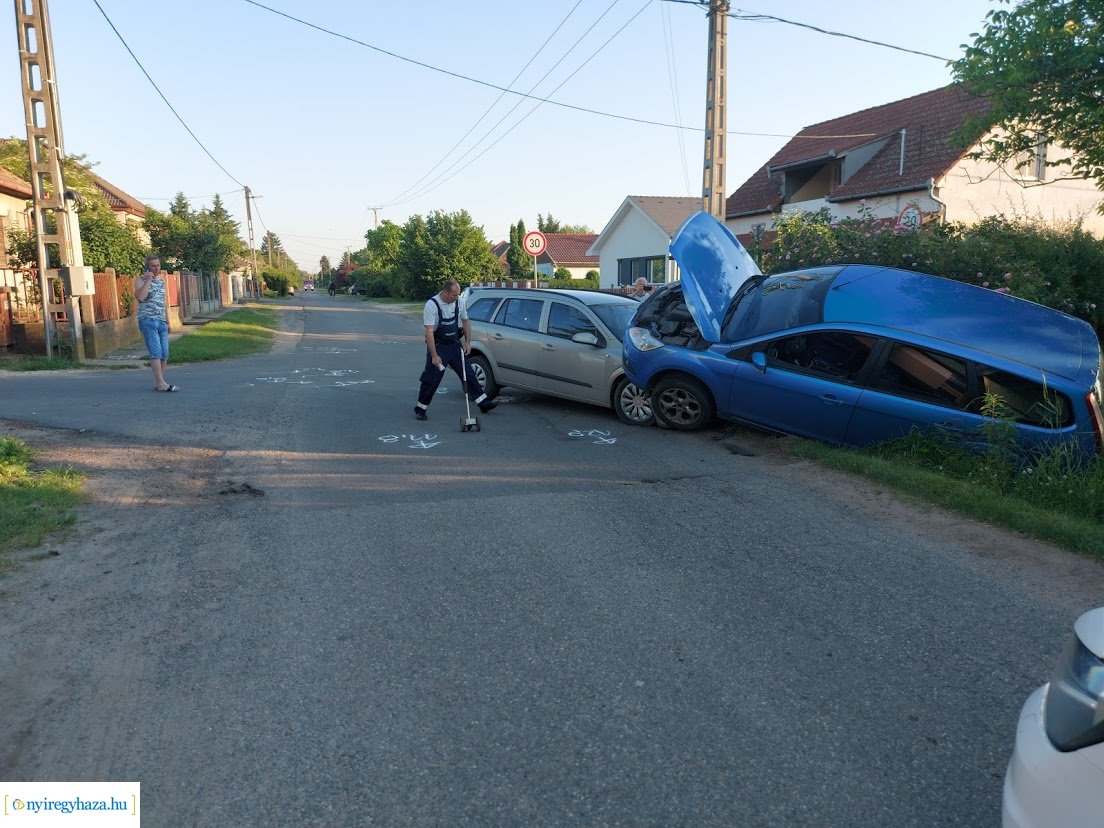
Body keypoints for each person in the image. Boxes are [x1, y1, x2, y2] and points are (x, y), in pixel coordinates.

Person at [414, 279, 497, 421]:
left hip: (454, 345)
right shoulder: (432, 305)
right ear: (445, 292)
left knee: (468, 373)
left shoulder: (459, 302)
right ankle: (421, 408)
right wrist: (434, 356)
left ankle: (483, 403)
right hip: (439, 347)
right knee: (432, 378)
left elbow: (466, 321)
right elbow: (429, 332)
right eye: (454, 295)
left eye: (458, 294)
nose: (457, 297)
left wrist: (467, 343)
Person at [134, 255, 178, 392]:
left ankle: (160, 382)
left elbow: (163, 303)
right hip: (148, 320)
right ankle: (161, 383)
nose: (156, 268)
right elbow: (140, 297)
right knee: (156, 352)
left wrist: (168, 321)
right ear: (147, 266)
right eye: (153, 265)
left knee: (164, 353)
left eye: (158, 265)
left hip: (161, 321)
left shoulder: (161, 281)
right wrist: (148, 280)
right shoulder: (140, 281)